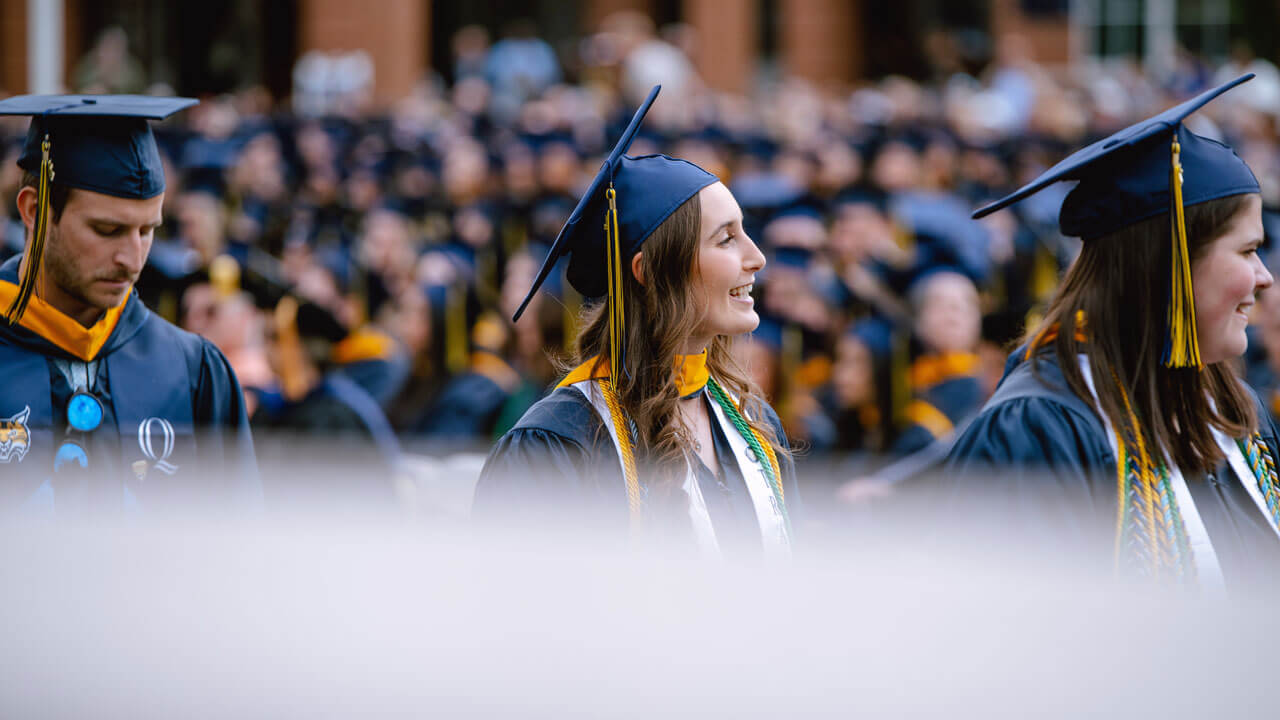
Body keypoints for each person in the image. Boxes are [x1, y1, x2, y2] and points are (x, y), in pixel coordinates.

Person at [946, 75, 1280, 587]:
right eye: (1247, 250)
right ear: (1172, 265)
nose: (1265, 277)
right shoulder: (1039, 433)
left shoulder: (1235, 413)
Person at [475, 87, 797, 556]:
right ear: (649, 271)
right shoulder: (557, 444)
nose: (757, 258)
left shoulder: (754, 425)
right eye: (726, 240)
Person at [0, 95, 258, 511]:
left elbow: (240, 553)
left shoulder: (192, 373)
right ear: (35, 210)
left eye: (147, 230)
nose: (133, 258)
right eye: (107, 230)